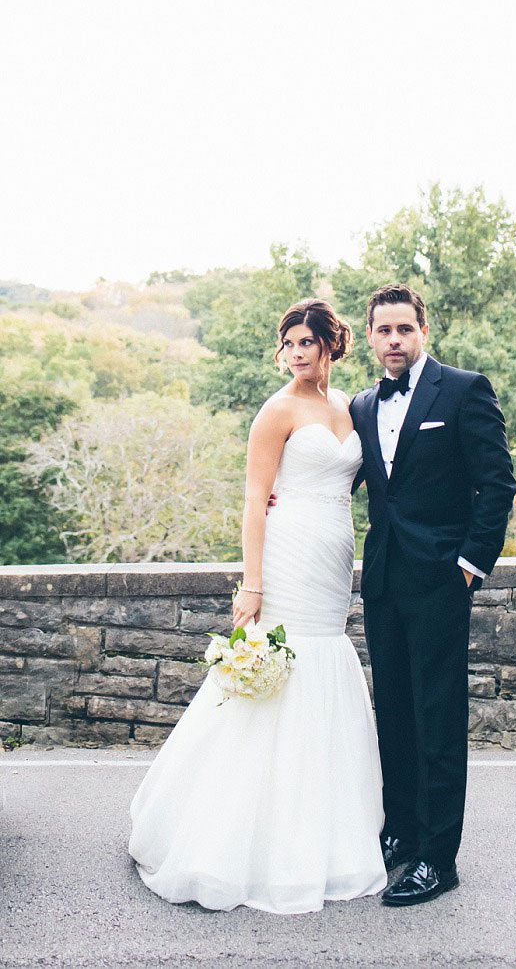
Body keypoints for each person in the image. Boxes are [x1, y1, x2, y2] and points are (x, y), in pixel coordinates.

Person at [128, 299, 387, 915]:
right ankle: (229, 833)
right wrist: (252, 583)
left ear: (332, 345)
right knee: (278, 674)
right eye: (289, 343)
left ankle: (324, 826)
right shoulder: (276, 410)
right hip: (286, 554)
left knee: (324, 664)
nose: (297, 353)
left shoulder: (348, 407)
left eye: (308, 342)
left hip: (332, 557)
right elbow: (253, 501)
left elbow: (349, 479)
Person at [349, 283, 516, 907]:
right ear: (369, 337)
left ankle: (438, 857)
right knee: (392, 711)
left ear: (423, 332)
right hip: (385, 580)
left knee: (438, 715)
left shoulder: (465, 389)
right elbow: (348, 476)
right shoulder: (363, 405)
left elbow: (496, 485)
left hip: (442, 579)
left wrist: (470, 565)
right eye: (383, 331)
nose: (394, 340)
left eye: (404, 329)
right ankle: (400, 834)